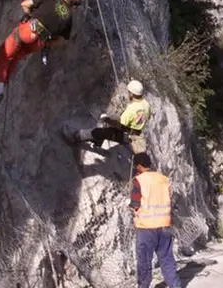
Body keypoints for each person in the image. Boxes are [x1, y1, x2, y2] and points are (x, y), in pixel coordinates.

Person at [0, 0, 82, 104]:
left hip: (28, 31)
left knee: (3, 56)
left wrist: (30, 15)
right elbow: (61, 41)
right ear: (74, 7)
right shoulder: (69, 20)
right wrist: (48, 43)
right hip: (38, 43)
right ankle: (0, 85)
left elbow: (24, 4)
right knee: (14, 59)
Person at [129, 152, 181, 288]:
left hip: (146, 228)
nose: (135, 168)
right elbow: (171, 200)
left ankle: (144, 286)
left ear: (139, 165)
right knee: (167, 258)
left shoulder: (139, 180)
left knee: (144, 261)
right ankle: (175, 285)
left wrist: (129, 204)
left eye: (136, 166)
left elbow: (135, 204)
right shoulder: (164, 179)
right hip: (164, 225)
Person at [62, 80, 151, 152]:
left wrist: (106, 119)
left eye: (129, 92)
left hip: (127, 136)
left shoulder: (132, 109)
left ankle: (74, 137)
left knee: (98, 131)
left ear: (132, 94)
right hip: (135, 133)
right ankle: (97, 141)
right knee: (110, 120)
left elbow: (119, 125)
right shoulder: (146, 105)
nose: (128, 94)